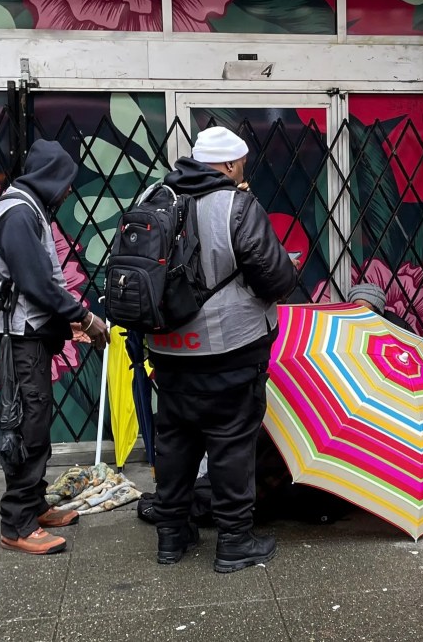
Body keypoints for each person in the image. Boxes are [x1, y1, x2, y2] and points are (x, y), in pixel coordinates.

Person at [148, 127, 299, 573]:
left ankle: (171, 537)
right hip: (229, 347)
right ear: (231, 165)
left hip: (168, 350)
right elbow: (274, 279)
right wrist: (286, 268)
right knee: (232, 443)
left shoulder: (155, 197)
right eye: (241, 166)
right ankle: (234, 542)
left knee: (175, 440)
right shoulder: (237, 205)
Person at [0, 140, 110, 555]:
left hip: (28, 336)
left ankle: (33, 506)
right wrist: (85, 318)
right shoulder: (17, 213)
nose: (69, 191)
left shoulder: (25, 208)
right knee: (26, 426)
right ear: (50, 177)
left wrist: (64, 326)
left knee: (35, 421)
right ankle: (16, 523)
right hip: (18, 340)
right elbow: (37, 284)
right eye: (67, 182)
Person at [347, 282, 414, 333]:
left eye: (366, 311)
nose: (360, 315)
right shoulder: (345, 325)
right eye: (356, 309)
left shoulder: (397, 329)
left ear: (378, 313)